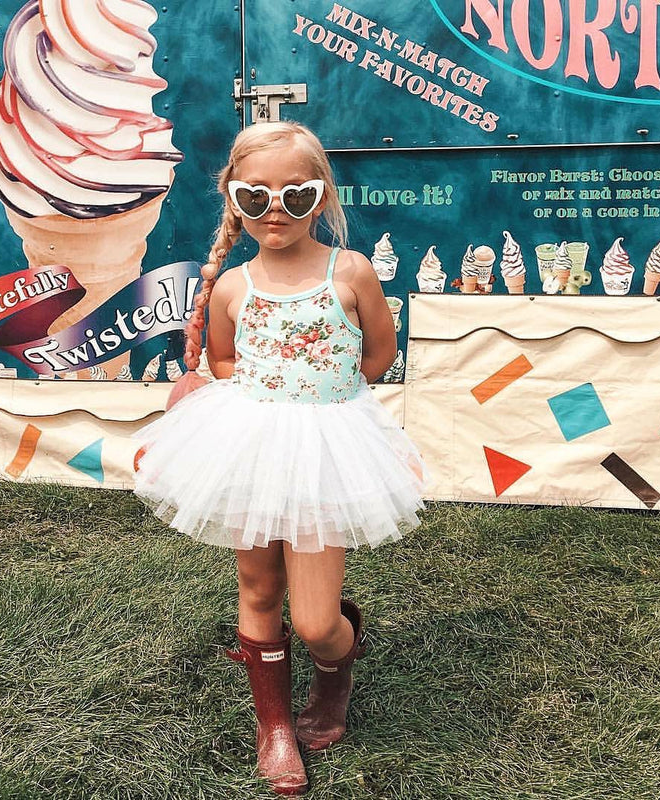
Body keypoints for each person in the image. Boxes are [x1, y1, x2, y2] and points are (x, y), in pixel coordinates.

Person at [133, 121, 426, 795]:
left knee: (318, 620)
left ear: (320, 199)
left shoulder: (348, 273)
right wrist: (256, 393)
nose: (276, 210)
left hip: (328, 445)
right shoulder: (234, 286)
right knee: (260, 589)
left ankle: (334, 670)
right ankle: (275, 729)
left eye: (296, 196)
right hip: (253, 446)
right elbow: (225, 357)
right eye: (255, 195)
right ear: (233, 199)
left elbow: (378, 355)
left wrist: (323, 387)